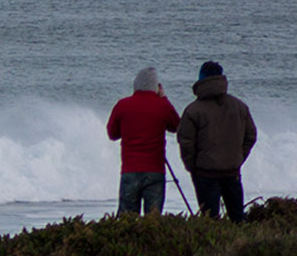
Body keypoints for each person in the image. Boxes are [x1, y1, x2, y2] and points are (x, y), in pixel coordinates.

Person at [177, 61, 256, 222]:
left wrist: (191, 166)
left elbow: (186, 142)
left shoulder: (193, 110)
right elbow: (251, 136)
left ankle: (214, 247)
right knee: (238, 219)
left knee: (209, 221)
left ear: (201, 79)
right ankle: (243, 246)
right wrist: (238, 158)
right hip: (232, 171)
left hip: (204, 172)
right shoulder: (239, 106)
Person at [106, 67, 180, 215]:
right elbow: (177, 125)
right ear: (156, 87)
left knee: (127, 219)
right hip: (155, 170)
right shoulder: (162, 105)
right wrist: (164, 98)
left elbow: (112, 134)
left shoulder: (123, 105)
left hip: (130, 169)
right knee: (152, 219)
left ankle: (126, 238)